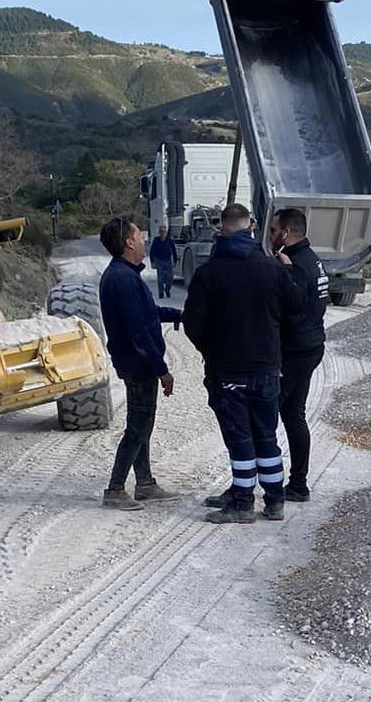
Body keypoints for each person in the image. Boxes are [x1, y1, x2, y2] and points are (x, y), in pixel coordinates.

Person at [183, 203, 303, 524]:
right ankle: (275, 500)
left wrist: (214, 351)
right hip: (266, 370)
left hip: (227, 372)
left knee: (240, 440)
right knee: (267, 436)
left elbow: (193, 326)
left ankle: (242, 503)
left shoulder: (208, 273)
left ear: (221, 229)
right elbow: (295, 308)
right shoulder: (273, 269)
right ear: (251, 228)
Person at [97, 216, 184, 511]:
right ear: (128, 242)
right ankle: (115, 488)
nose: (145, 239)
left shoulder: (124, 275)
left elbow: (148, 313)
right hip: (138, 365)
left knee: (142, 423)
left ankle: (145, 483)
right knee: (138, 427)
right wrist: (162, 370)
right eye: (139, 235)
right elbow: (139, 331)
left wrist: (178, 314)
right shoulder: (122, 278)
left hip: (135, 363)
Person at [267, 207, 328, 502]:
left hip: (294, 351)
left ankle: (254, 489)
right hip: (312, 346)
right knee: (293, 415)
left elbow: (293, 310)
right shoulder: (314, 261)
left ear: (287, 233)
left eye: (274, 230)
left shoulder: (296, 266)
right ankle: (298, 485)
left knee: (265, 417)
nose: (271, 235)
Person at [149, 226, 176, 299]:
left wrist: (175, 261)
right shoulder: (156, 240)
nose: (163, 233)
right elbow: (152, 252)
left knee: (169, 278)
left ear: (166, 233)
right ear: (159, 232)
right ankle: (161, 293)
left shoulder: (169, 241)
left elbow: (174, 251)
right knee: (160, 279)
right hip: (159, 261)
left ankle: (167, 290)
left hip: (168, 261)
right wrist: (152, 262)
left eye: (164, 232)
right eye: (161, 231)